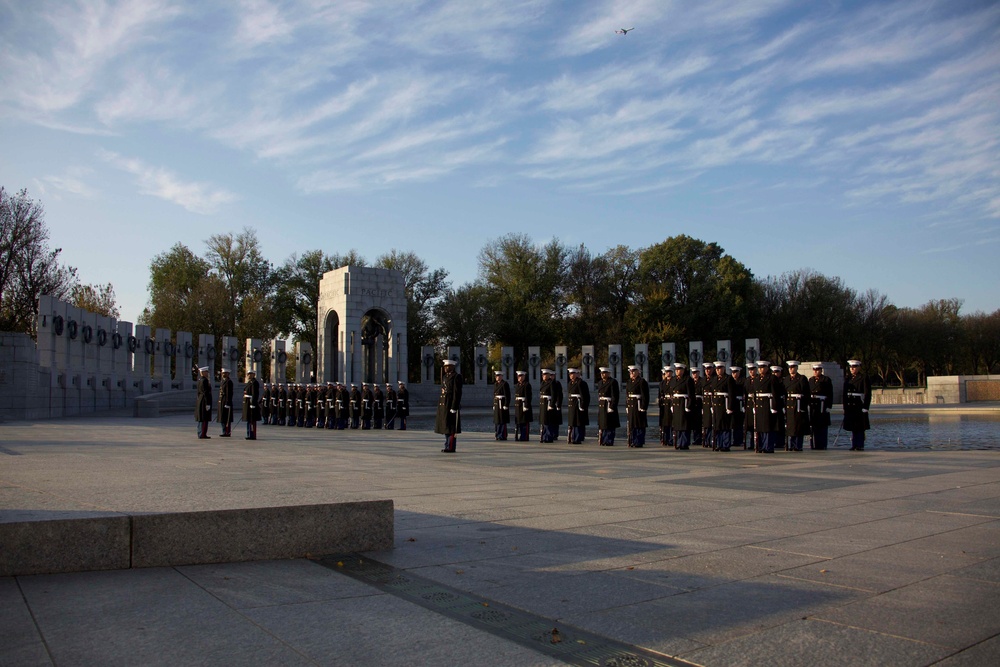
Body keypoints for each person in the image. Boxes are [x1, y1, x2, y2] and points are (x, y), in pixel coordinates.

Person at [843, 359, 871, 450]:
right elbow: (845, 393)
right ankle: (854, 444)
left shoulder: (863, 377)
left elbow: (867, 393)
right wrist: (845, 406)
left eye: (854, 367)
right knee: (853, 426)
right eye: (851, 367)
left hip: (859, 404)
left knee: (860, 427)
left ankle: (859, 444)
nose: (852, 369)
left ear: (859, 367)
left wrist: (866, 407)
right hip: (850, 405)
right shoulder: (848, 378)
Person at [435, 359, 463, 452]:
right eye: (445, 366)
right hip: (444, 404)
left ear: (452, 367)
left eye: (447, 367)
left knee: (451, 427)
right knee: (446, 426)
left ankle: (451, 446)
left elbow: (457, 393)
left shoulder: (456, 377)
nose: (445, 368)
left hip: (451, 404)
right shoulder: (444, 377)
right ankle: (447, 445)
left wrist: (454, 406)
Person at [753, 361, 780, 453]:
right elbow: (755, 393)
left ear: (767, 368)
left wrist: (774, 406)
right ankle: (761, 446)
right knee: (760, 427)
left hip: (767, 403)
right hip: (759, 404)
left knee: (768, 427)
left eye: (763, 367)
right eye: (760, 368)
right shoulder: (757, 379)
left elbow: (775, 393)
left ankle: (768, 446)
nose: (761, 369)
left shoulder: (772, 378)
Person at [783, 361, 811, 451]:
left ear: (796, 368)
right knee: (791, 426)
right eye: (789, 367)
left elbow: (806, 393)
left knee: (798, 426)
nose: (791, 369)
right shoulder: (786, 379)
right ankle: (791, 444)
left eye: (793, 367)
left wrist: (803, 406)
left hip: (798, 404)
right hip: (789, 404)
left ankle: (798, 445)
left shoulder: (801, 378)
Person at [808, 363, 833, 450]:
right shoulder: (811, 380)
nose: (816, 371)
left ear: (821, 370)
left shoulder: (826, 380)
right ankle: (813, 444)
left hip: (822, 404)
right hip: (813, 405)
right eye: (814, 370)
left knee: (822, 426)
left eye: (817, 370)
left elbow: (830, 393)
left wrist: (829, 406)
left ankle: (822, 444)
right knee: (813, 426)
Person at [712, 361, 736, 451]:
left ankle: (725, 444)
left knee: (725, 425)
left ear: (723, 369)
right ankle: (719, 443)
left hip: (724, 404)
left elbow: (731, 393)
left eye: (720, 369)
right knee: (718, 426)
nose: (718, 371)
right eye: (717, 369)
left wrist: (730, 407)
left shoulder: (728, 378)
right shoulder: (714, 379)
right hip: (716, 404)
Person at [671, 362, 695, 449]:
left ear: (683, 370)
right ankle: (678, 442)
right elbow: (672, 393)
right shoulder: (674, 380)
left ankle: (684, 443)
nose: (677, 371)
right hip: (676, 404)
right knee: (677, 424)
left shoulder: (688, 379)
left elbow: (691, 394)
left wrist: (689, 406)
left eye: (679, 370)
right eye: (676, 370)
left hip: (683, 403)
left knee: (684, 424)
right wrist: (671, 405)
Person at [625, 365, 649, 447]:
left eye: (634, 371)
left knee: (639, 424)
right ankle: (633, 440)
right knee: (632, 424)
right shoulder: (629, 382)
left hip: (638, 405)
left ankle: (639, 441)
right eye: (630, 371)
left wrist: (643, 406)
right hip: (631, 405)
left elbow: (645, 395)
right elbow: (627, 395)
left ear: (638, 372)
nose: (632, 373)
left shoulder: (642, 381)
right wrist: (626, 406)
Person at [596, 366, 620, 446]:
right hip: (602, 404)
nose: (603, 375)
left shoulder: (612, 382)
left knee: (609, 424)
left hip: (608, 404)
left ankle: (609, 440)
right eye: (602, 373)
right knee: (603, 423)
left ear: (608, 373)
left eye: (605, 373)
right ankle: (603, 439)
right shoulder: (600, 383)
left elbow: (615, 395)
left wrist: (612, 406)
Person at [538, 368, 563, 443]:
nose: (544, 376)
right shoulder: (543, 383)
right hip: (543, 403)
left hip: (548, 403)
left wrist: (552, 405)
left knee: (548, 421)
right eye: (543, 374)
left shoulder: (552, 383)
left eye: (545, 374)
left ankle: (549, 437)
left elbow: (554, 395)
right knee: (544, 421)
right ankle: (544, 436)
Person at [566, 367, 590, 444]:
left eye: (572, 374)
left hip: (578, 404)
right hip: (572, 404)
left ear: (577, 374)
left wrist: (583, 406)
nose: (571, 375)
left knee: (578, 422)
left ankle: (577, 438)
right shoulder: (570, 383)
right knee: (573, 422)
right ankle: (573, 437)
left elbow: (585, 396)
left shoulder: (581, 383)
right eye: (570, 374)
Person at [514, 370, 533, 441]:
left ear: (524, 376)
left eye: (521, 376)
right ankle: (520, 435)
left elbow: (528, 396)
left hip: (524, 405)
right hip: (518, 405)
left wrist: (526, 406)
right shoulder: (517, 385)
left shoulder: (527, 385)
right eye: (519, 376)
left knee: (524, 422)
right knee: (519, 422)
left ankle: (524, 436)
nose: (520, 378)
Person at [730, 366, 746, 449]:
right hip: (733, 403)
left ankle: (738, 440)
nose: (734, 374)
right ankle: (733, 439)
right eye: (733, 372)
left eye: (736, 372)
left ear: (739, 373)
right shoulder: (730, 381)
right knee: (732, 423)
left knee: (739, 423)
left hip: (739, 403)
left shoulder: (742, 381)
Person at [493, 370, 511, 440]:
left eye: (498, 376)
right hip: (497, 403)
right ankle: (497, 434)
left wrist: (506, 404)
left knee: (502, 420)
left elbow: (507, 395)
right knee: (497, 420)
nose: (496, 377)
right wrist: (494, 404)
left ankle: (502, 435)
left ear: (501, 376)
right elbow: (494, 395)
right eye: (496, 376)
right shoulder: (495, 384)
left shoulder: (504, 384)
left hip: (502, 404)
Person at [243, 369, 261, 440]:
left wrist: (253, 403)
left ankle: (252, 434)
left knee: (252, 420)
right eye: (248, 374)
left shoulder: (254, 383)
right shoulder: (249, 382)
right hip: (248, 403)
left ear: (254, 375)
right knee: (248, 419)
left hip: (251, 403)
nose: (249, 375)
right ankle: (249, 433)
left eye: (250, 374)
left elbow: (255, 394)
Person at [195, 366, 212, 439]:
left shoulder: (200, 380)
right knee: (204, 418)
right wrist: (207, 403)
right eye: (206, 372)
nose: (207, 373)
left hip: (200, 400)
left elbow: (198, 392)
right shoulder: (204, 380)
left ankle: (200, 433)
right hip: (204, 401)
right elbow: (206, 392)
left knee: (201, 418)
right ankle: (202, 434)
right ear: (203, 372)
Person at [658, 366, 673, 447]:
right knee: (665, 423)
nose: (668, 373)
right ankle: (665, 439)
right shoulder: (662, 383)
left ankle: (671, 439)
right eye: (666, 372)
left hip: (671, 403)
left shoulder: (673, 381)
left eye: (669, 372)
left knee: (671, 423)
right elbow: (660, 394)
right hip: (664, 404)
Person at [217, 368, 233, 437]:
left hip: (226, 402)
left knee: (226, 418)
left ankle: (227, 432)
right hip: (222, 401)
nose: (223, 374)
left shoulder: (229, 382)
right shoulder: (223, 381)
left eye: (225, 373)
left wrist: (227, 402)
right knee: (222, 417)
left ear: (228, 374)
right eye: (223, 373)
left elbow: (229, 393)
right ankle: (224, 431)